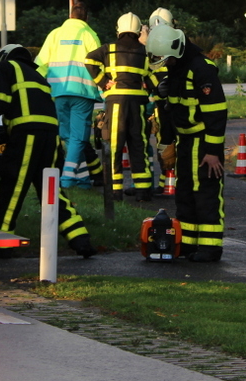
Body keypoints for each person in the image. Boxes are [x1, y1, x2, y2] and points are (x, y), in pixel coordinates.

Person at [0, 44, 97, 258]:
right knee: (51, 192)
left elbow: (0, 103)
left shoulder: (5, 68)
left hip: (29, 136)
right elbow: (24, 109)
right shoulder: (39, 77)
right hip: (51, 138)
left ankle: (0, 244)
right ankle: (81, 240)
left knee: (13, 187)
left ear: (3, 57)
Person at [146, 23, 227, 262]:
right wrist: (167, 142)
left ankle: (210, 248)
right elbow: (172, 109)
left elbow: (216, 113)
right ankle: (189, 244)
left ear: (177, 50)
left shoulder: (202, 69)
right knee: (185, 195)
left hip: (203, 143)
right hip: (186, 142)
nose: (166, 65)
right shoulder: (177, 68)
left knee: (206, 195)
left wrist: (212, 152)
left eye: (167, 60)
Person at [85, 13, 154, 201]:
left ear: (119, 29)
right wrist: (149, 85)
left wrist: (103, 82)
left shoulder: (108, 49)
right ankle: (143, 190)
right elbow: (157, 72)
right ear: (139, 30)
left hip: (116, 103)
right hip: (138, 104)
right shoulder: (145, 51)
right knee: (138, 145)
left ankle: (115, 191)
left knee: (114, 146)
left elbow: (89, 60)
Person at [35, 2, 102, 189]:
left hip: (58, 92)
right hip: (82, 92)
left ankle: (81, 180)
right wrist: (104, 90)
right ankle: (67, 178)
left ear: (70, 16)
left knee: (67, 135)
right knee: (78, 137)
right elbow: (98, 65)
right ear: (86, 18)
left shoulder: (55, 34)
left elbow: (41, 64)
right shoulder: (90, 35)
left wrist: (37, 89)